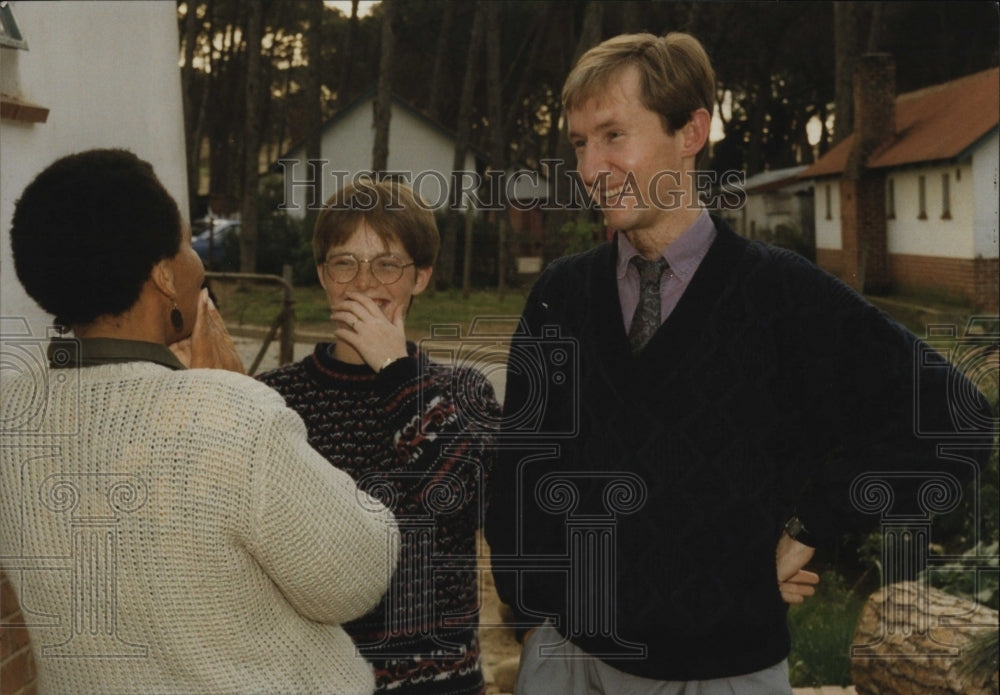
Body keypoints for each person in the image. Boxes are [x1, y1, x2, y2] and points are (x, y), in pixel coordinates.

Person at [485, 32, 993, 693]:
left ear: (691, 131)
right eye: (581, 143)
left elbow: (958, 422)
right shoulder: (561, 294)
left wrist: (814, 523)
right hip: (568, 662)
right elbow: (519, 471)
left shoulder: (783, 295)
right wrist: (532, 624)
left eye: (613, 135)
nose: (589, 166)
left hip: (725, 673)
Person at [0, 149, 398, 695]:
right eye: (186, 244)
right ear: (163, 276)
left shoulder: (10, 416)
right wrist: (229, 396)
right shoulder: (233, 416)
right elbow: (354, 577)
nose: (196, 261)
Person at [257, 179, 500, 695]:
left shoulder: (465, 391)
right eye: (345, 262)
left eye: (387, 264)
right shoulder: (273, 400)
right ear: (323, 276)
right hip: (314, 680)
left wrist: (396, 373)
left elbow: (471, 503)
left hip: (441, 682)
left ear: (422, 277)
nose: (365, 283)